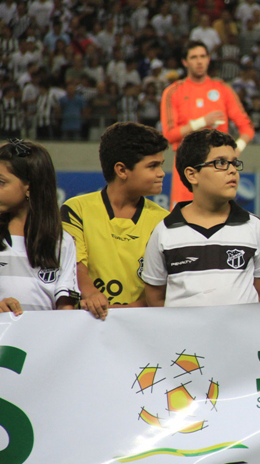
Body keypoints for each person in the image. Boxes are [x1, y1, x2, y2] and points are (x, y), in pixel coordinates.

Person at [142, 129, 260, 307]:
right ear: (192, 174)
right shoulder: (164, 231)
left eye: (234, 163)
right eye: (220, 163)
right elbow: (156, 299)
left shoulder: (253, 227)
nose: (232, 171)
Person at [61, 123, 169, 320]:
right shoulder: (76, 209)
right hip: (87, 321)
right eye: (153, 166)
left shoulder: (164, 221)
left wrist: (123, 312)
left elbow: (163, 287)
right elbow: (74, 265)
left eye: (161, 165)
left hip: (141, 323)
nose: (161, 173)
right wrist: (92, 295)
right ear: (121, 170)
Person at [160, 40, 255, 207]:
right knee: (182, 225)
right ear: (185, 62)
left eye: (203, 56)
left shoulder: (223, 89)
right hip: (187, 169)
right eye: (194, 57)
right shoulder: (173, 92)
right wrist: (202, 122)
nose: (199, 61)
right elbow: (169, 135)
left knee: (219, 222)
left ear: (208, 59)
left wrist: (235, 150)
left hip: (219, 168)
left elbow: (247, 129)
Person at [0, 139, 78, 314]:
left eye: (1, 182)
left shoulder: (61, 241)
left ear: (30, 187)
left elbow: (65, 309)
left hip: (42, 340)